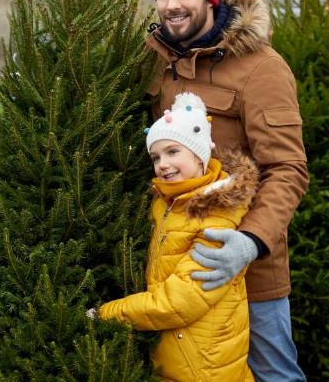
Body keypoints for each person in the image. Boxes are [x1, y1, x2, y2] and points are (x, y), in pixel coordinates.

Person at [145, 0, 309, 381]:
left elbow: (288, 170)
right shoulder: (160, 62)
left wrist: (249, 244)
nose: (171, 5)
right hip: (175, 272)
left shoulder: (262, 67)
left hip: (250, 273)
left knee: (273, 372)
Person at [88, 92, 259, 381]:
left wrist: (105, 314)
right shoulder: (166, 201)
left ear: (200, 155)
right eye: (155, 156)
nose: (162, 164)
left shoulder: (215, 215)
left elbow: (177, 303)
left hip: (203, 366)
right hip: (177, 355)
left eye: (172, 152)